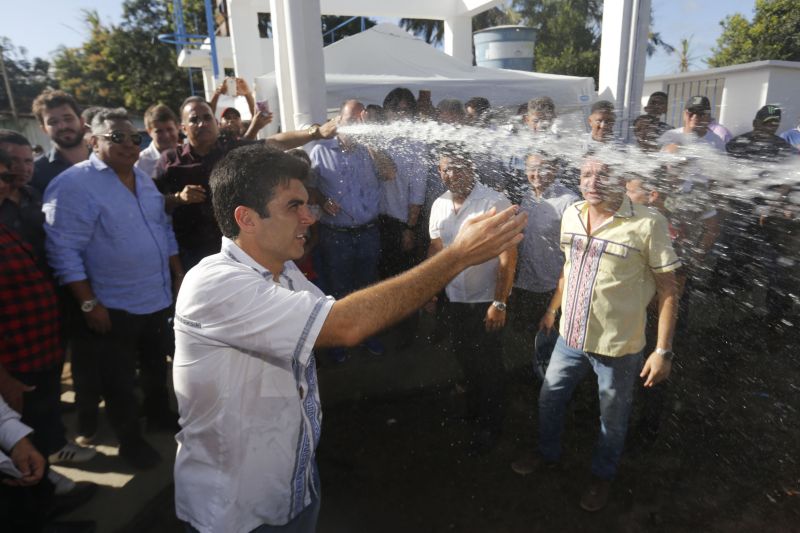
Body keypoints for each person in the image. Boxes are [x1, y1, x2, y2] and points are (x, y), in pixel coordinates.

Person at [172, 144, 527, 533]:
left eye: (308, 204)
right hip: (235, 514)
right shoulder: (216, 285)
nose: (310, 217)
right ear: (247, 218)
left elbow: (346, 316)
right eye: (294, 206)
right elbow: (345, 325)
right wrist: (457, 256)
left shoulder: (284, 272)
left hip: (293, 488)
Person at [511, 154, 680, 513]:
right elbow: (568, 271)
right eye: (585, 174)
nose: (590, 182)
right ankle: (547, 453)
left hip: (618, 346)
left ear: (620, 179)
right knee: (549, 398)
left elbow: (668, 289)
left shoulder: (649, 223)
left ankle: (602, 476)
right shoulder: (572, 212)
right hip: (569, 338)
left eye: (601, 175)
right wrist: (552, 309)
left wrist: (662, 350)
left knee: (612, 420)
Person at [43, 108, 183, 468]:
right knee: (118, 380)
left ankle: (158, 414)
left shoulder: (142, 178)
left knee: (155, 366)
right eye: (115, 137)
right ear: (94, 141)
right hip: (112, 305)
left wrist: (177, 273)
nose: (127, 144)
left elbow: (162, 228)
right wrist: (89, 304)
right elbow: (63, 250)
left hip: (156, 295)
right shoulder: (74, 184)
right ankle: (130, 442)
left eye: (133, 137)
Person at [155, 95, 336, 270]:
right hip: (194, 254)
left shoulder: (232, 149)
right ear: (184, 128)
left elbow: (273, 143)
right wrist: (178, 198)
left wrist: (316, 133)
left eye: (207, 117)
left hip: (240, 251)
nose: (202, 123)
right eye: (194, 119)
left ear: (216, 123)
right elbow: (154, 205)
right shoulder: (170, 161)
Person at [428, 145, 517, 454]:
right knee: (465, 356)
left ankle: (491, 426)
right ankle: (476, 408)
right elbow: (436, 250)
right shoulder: (439, 204)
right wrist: (431, 290)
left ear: (471, 166)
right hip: (454, 299)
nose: (451, 174)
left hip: (486, 300)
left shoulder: (493, 202)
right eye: (445, 169)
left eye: (457, 166)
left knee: (489, 363)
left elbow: (509, 255)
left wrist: (500, 302)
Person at [309, 99, 397, 360]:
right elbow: (309, 186)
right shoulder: (320, 150)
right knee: (338, 290)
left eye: (362, 121)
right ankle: (340, 341)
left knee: (367, 288)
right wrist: (323, 201)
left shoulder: (371, 149)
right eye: (351, 121)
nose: (357, 126)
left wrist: (371, 144)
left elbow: (390, 173)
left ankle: (367, 335)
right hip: (335, 235)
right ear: (339, 121)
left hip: (369, 232)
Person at [510, 152, 579, 350]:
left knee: (548, 340)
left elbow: (574, 253)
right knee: (524, 337)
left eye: (543, 168)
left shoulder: (569, 202)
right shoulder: (526, 195)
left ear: (555, 169)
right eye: (532, 168)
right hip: (523, 281)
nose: (536, 174)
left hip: (549, 286)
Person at [379, 88, 427, 349]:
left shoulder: (415, 143)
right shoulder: (380, 140)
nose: (399, 113)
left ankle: (407, 337)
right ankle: (387, 329)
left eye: (404, 109)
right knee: (384, 279)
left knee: (404, 281)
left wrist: (410, 228)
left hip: (402, 224)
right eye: (394, 108)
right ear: (385, 111)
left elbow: (417, 193)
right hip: (378, 223)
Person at [30, 90, 89, 194]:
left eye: (68, 119)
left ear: (81, 121)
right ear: (44, 129)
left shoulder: (106, 159)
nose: (63, 126)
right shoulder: (37, 172)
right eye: (53, 122)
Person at [726, 105, 795, 161]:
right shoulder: (737, 144)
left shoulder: (782, 146)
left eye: (774, 123)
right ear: (755, 123)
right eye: (766, 123)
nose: (770, 127)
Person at [136, 103, 181, 178]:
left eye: (169, 129)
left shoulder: (188, 156)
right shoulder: (140, 164)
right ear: (149, 132)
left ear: (177, 128)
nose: (166, 135)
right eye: (159, 131)